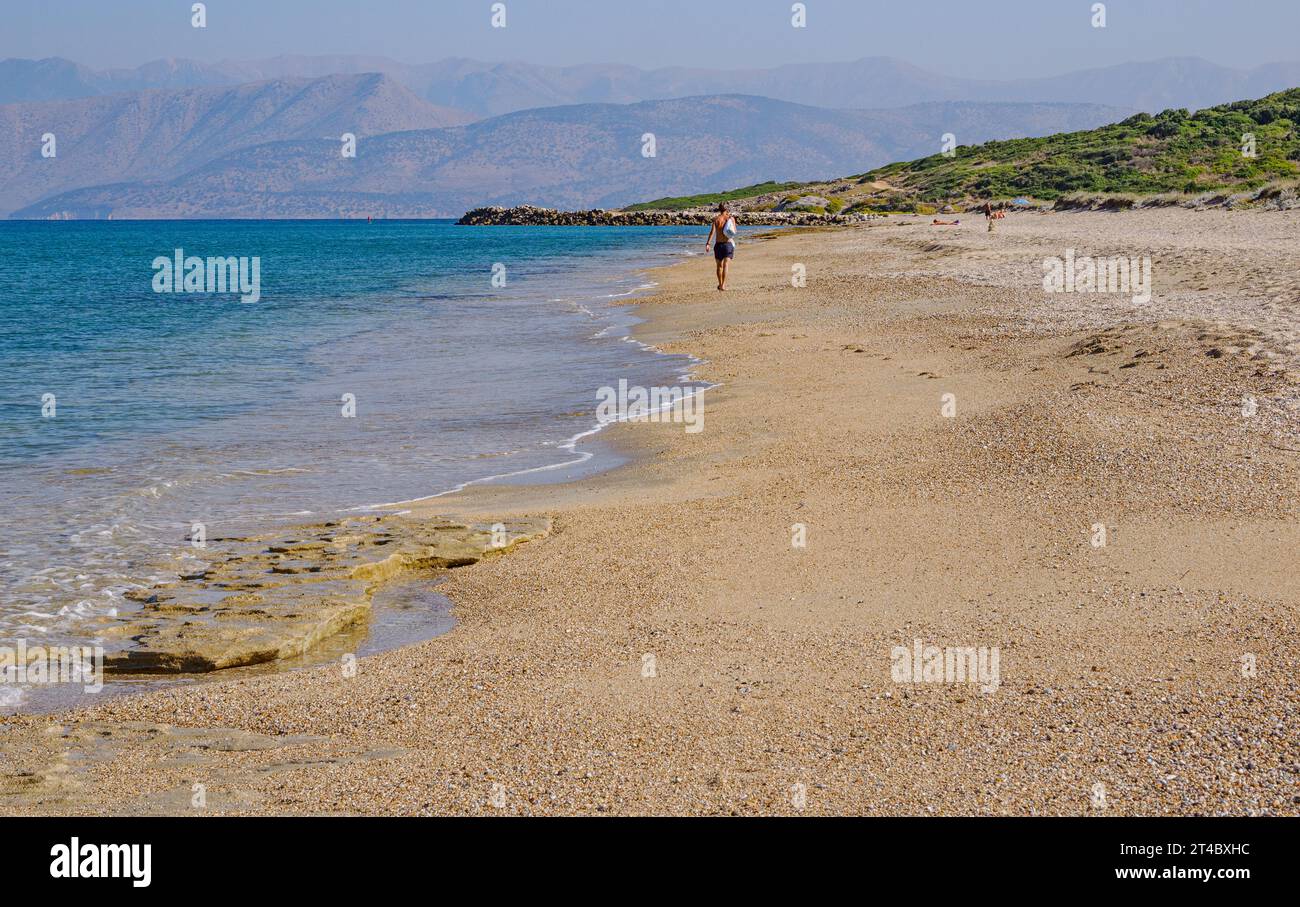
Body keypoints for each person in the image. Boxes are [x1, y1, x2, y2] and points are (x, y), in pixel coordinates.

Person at [704, 203, 737, 290]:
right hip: (728, 244)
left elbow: (712, 233)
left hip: (718, 245)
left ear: (720, 210)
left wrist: (708, 243)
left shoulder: (716, 219)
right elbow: (734, 231)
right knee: (726, 265)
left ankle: (719, 284)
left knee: (719, 266)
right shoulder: (731, 219)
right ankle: (723, 285)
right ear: (727, 210)